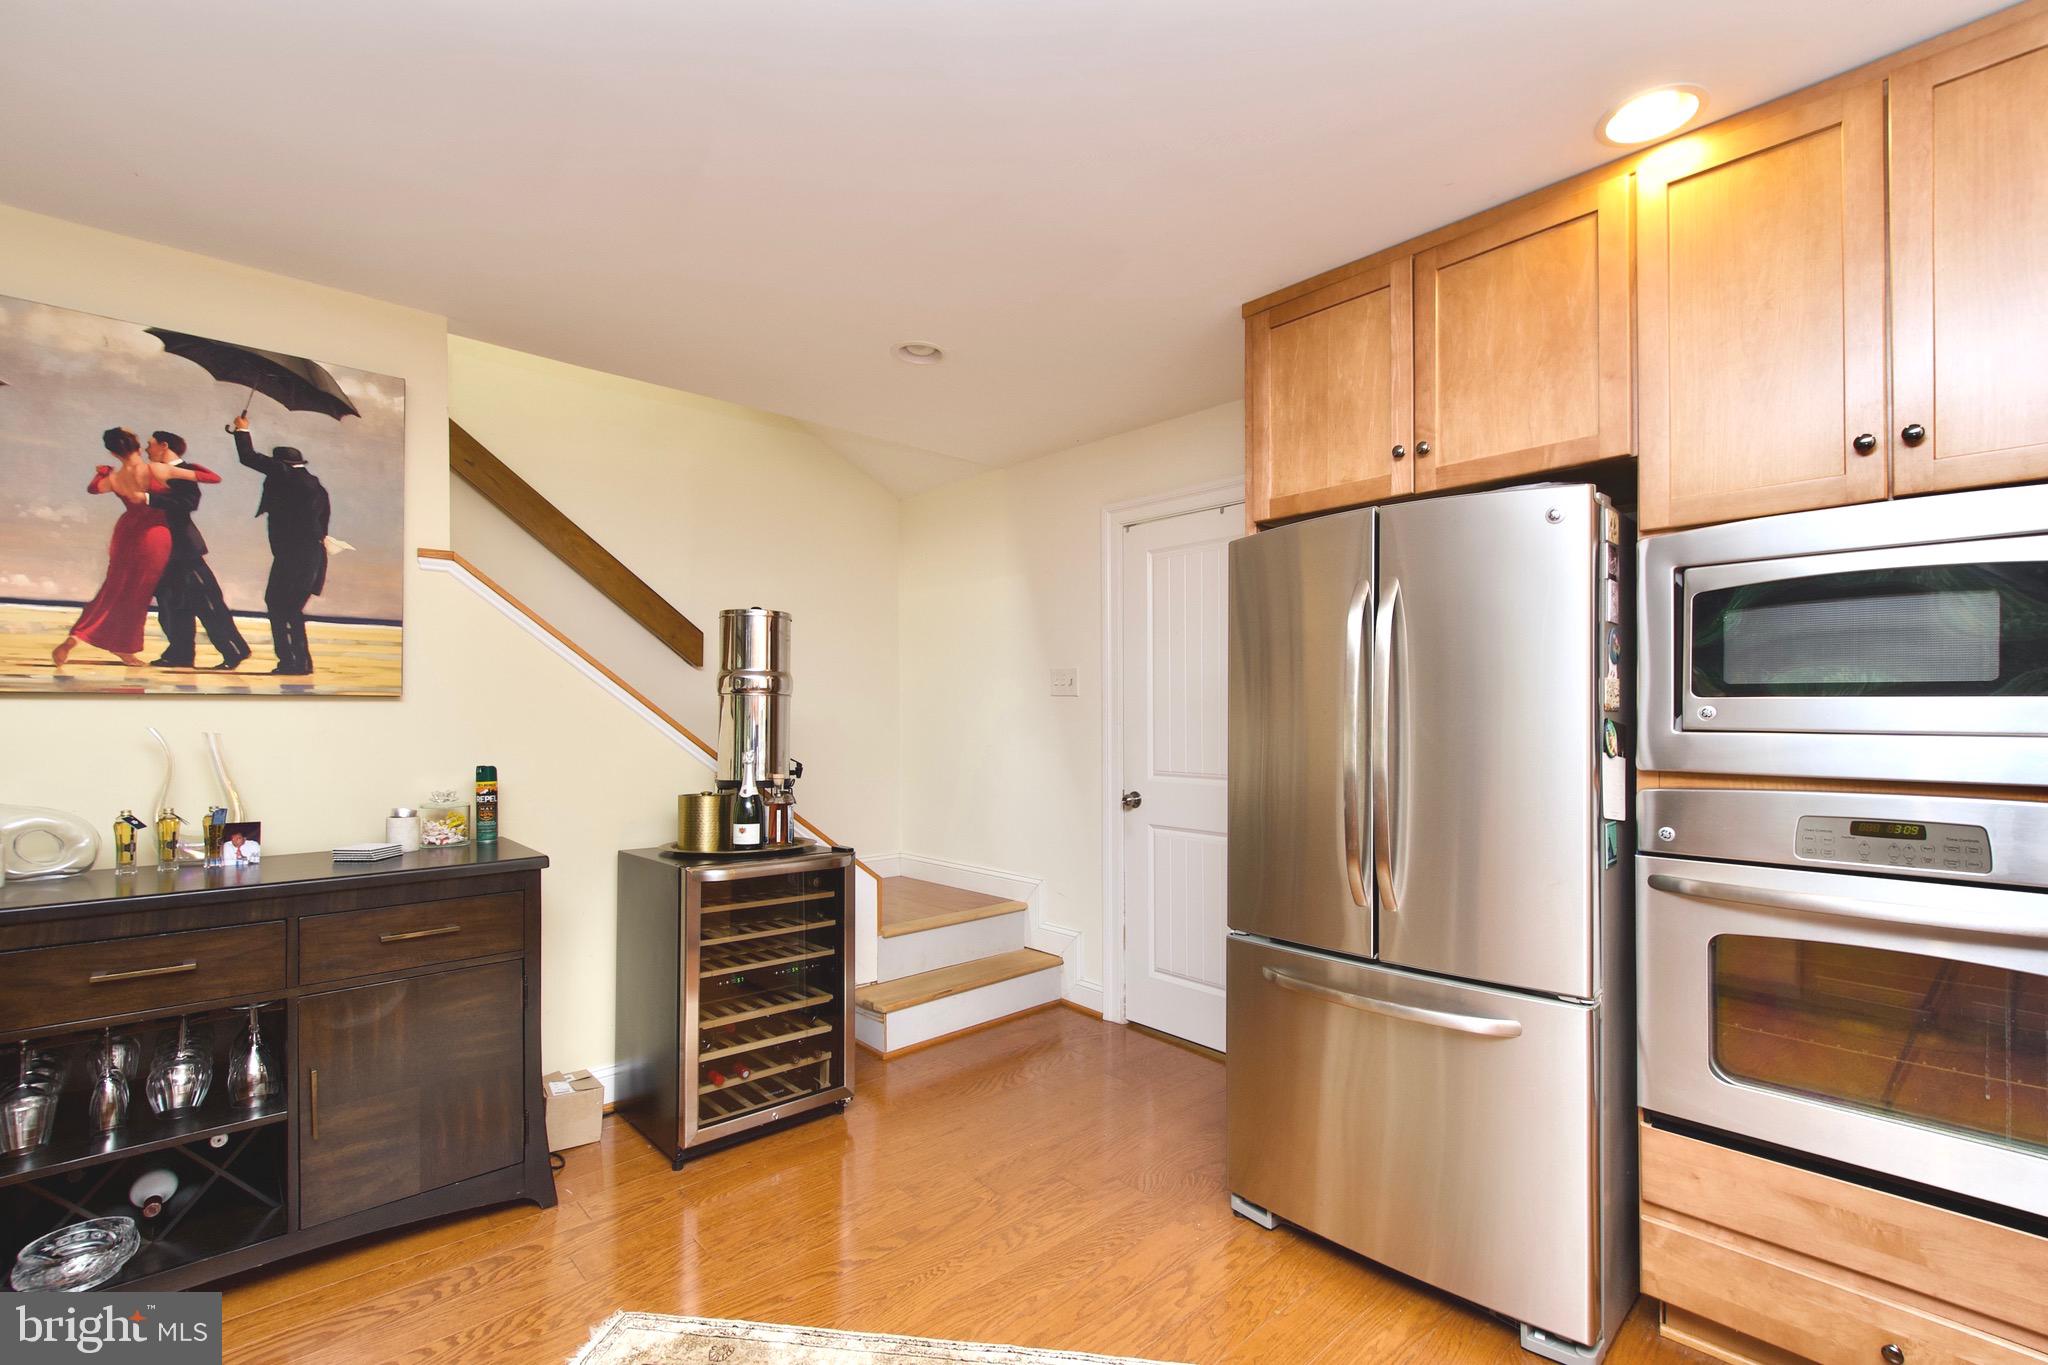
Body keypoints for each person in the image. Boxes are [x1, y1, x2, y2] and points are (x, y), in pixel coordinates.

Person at [52, 427, 216, 668]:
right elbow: (213, 478)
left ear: (113, 452)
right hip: (154, 535)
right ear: (138, 447)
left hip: (126, 533)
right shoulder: (156, 469)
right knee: (138, 593)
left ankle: (75, 637)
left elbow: (93, 489)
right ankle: (124, 648)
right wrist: (187, 467)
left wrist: (102, 473)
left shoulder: (114, 479)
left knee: (114, 588)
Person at [232, 415, 330, 676]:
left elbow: (248, 457)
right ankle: (301, 662)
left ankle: (290, 662)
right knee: (291, 609)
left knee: (277, 604)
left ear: (281, 464)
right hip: (312, 556)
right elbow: (324, 526)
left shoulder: (285, 475)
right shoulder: (317, 486)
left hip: (293, 556)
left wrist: (242, 430)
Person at [146, 430, 251, 671]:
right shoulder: (156, 470)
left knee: (207, 602)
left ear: (164, 445)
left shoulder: (185, 470)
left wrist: (151, 500)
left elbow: (188, 504)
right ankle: (180, 654)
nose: (146, 448)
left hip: (184, 548)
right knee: (170, 603)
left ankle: (234, 651)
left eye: (150, 444)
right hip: (164, 549)